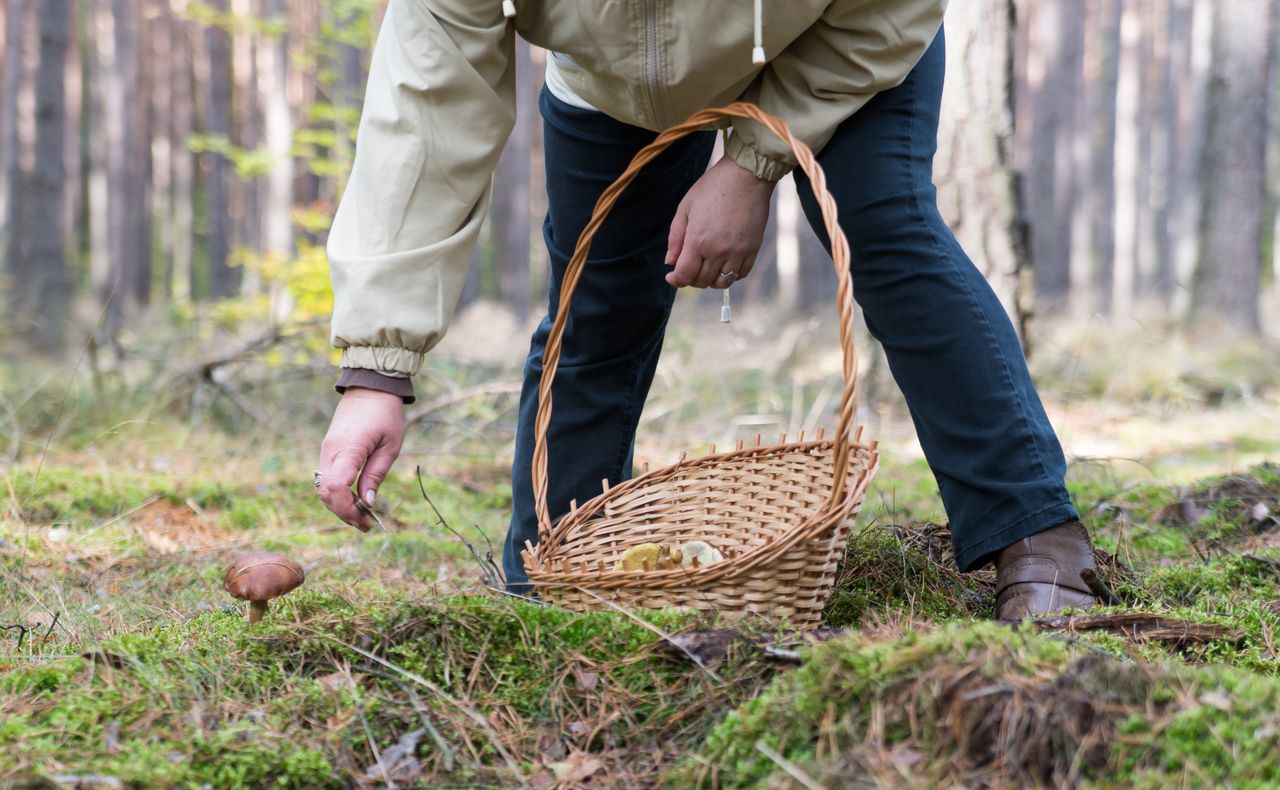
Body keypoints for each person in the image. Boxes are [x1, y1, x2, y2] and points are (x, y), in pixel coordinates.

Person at [315, 0, 1100, 620]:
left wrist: (752, 167)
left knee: (884, 232)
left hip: (836, 39)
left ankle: (1036, 535)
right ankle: (549, 583)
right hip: (612, 83)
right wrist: (376, 370)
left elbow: (886, 9)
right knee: (596, 312)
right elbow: (425, 110)